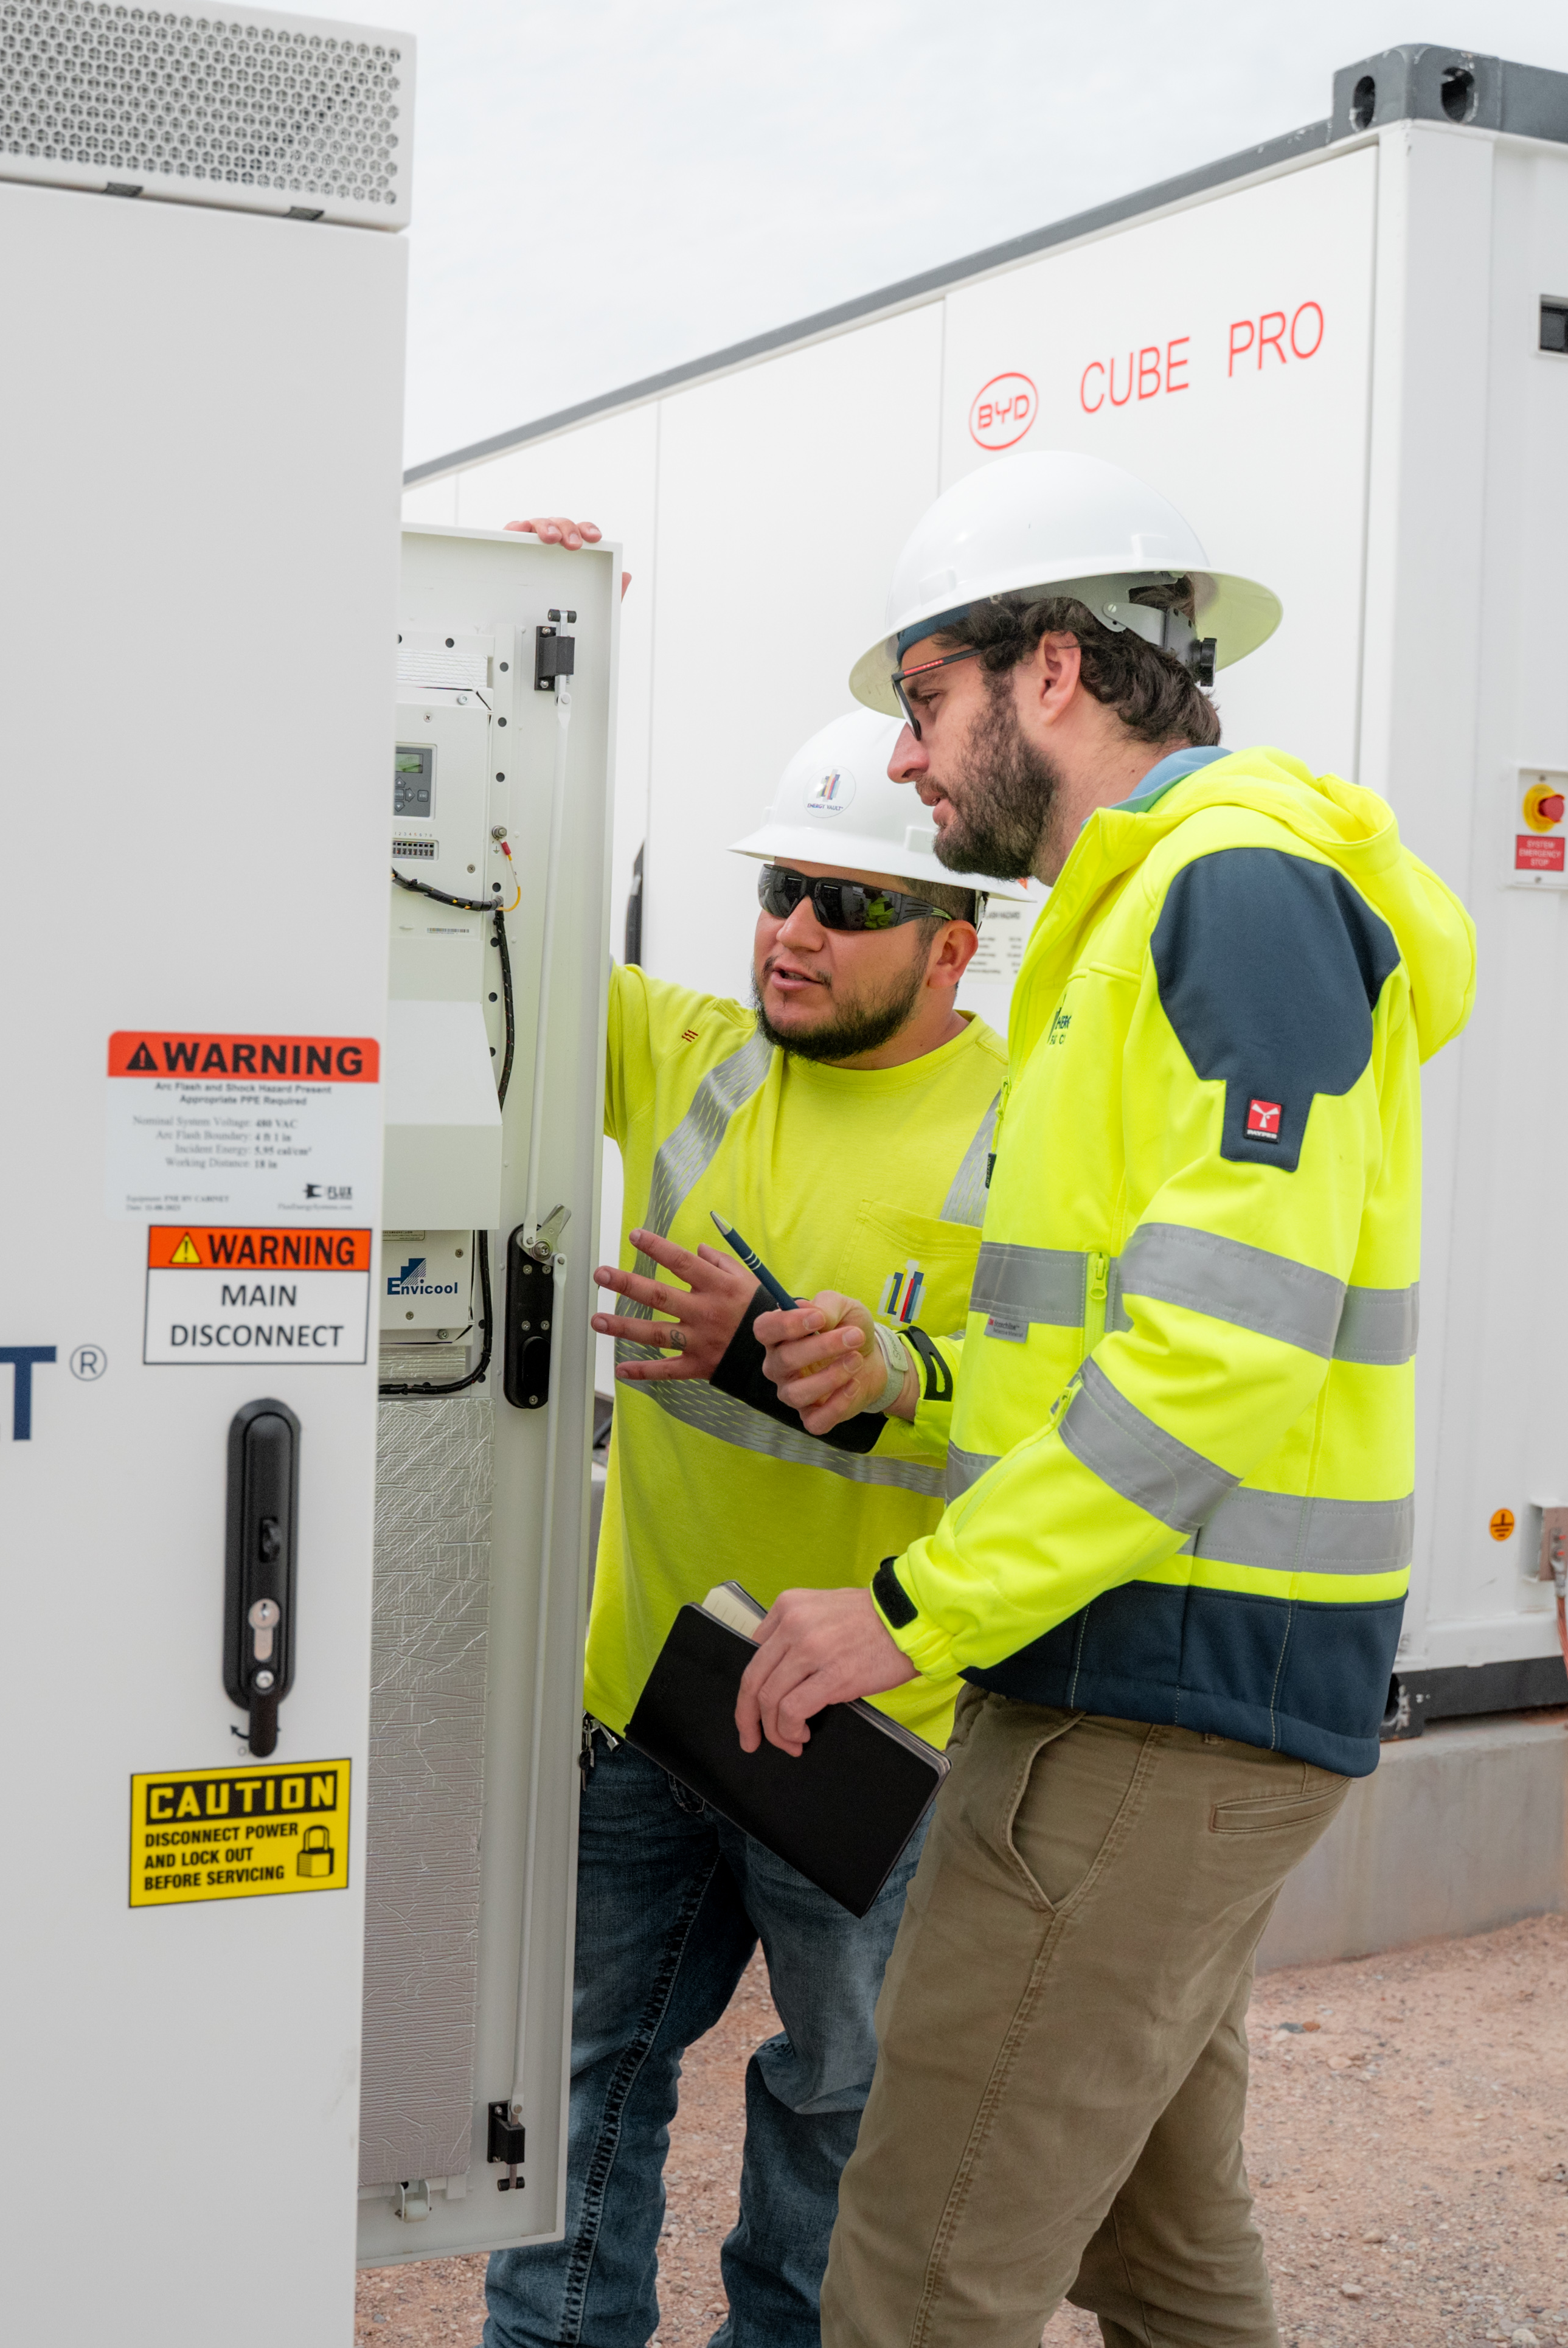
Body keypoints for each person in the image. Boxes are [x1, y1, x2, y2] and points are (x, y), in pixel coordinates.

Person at [728, 450, 1479, 2348]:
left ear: (1050, 670)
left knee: (918, 2277)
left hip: (1154, 1686)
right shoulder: (1137, 915)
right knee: (1157, 2247)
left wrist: (910, 1608)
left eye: (924, 698)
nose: (905, 758)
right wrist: (910, 1373)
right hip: (1149, 1670)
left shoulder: (1232, 894)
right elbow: (1103, 1340)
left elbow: (1226, 1350)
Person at [480, 686, 1008, 2348]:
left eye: (847, 900)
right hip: (650, 1697)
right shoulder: (694, 1056)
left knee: (835, 2106)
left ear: (951, 948)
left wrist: (891, 1370)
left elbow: (1076, 1407)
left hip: (864, 1735)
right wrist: (524, 667)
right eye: (781, 888)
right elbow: (492, 913)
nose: (794, 929)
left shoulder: (1022, 1135)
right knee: (582, 2075)